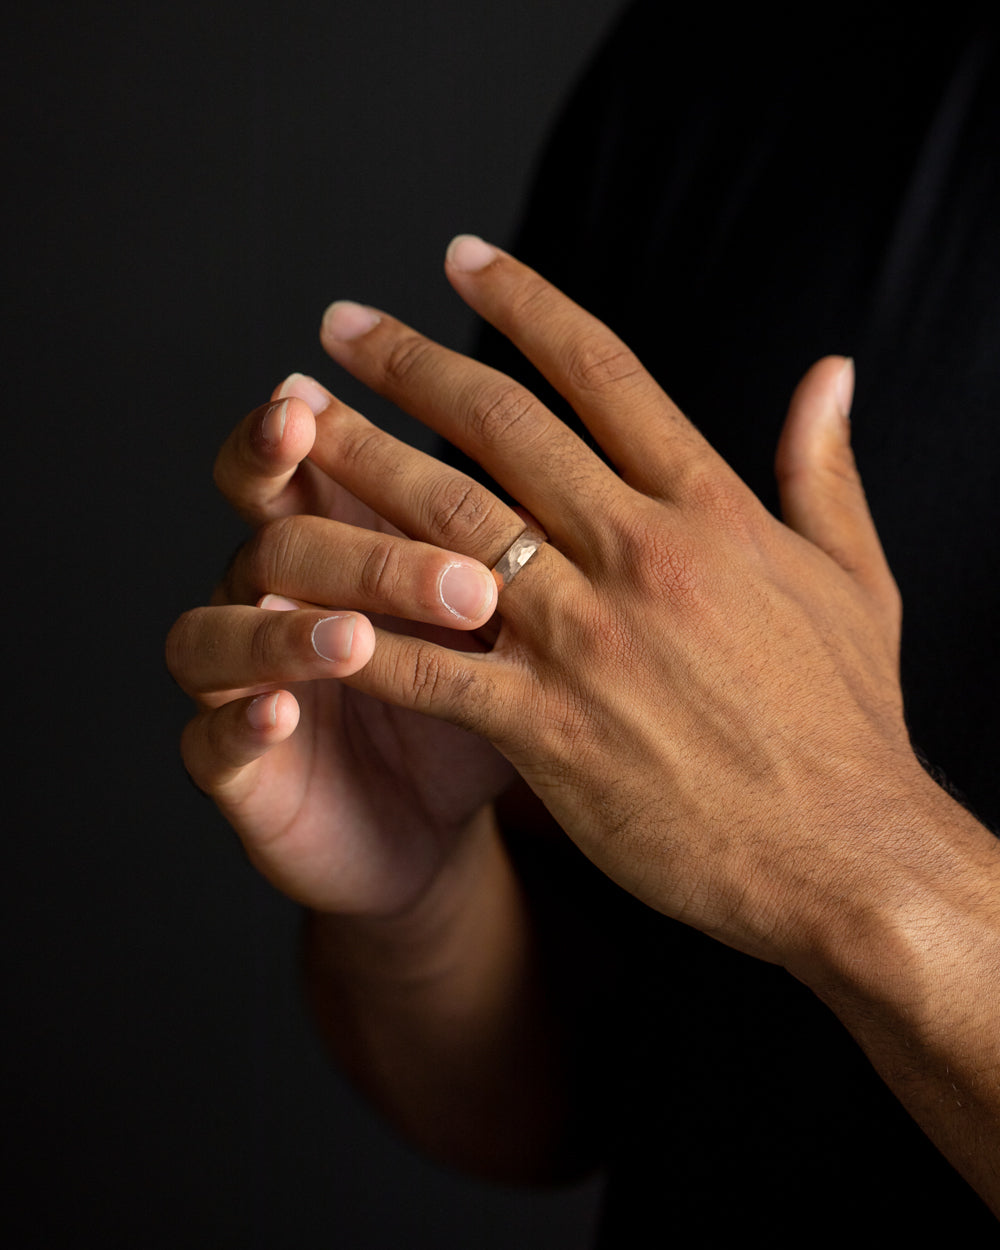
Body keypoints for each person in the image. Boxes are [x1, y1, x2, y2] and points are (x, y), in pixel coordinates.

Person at [166, 4, 1000, 1239]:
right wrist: (425, 898)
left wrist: (865, 864)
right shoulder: (733, 68)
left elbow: (825, 845)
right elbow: (583, 1092)